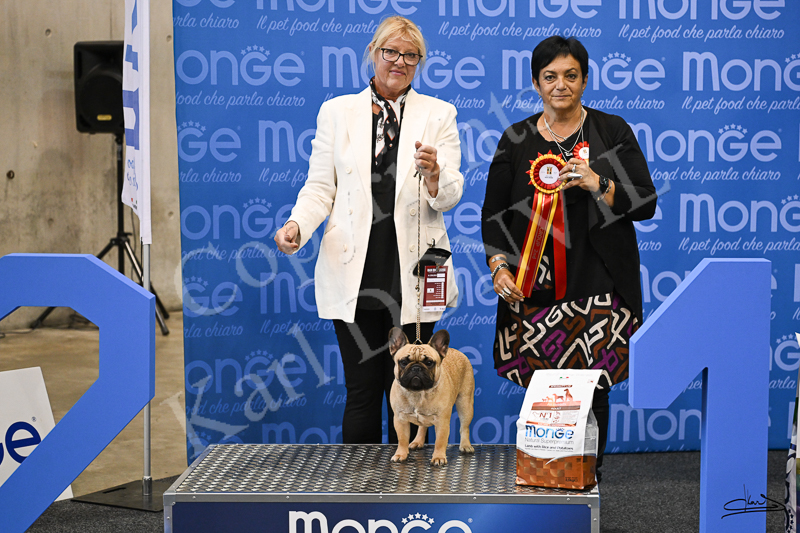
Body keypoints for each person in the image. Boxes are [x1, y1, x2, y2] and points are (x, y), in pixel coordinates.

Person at [274, 16, 463, 445]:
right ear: (373, 54)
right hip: (354, 269)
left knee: (415, 390)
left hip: (418, 270)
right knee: (362, 389)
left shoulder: (440, 114)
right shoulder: (337, 112)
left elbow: (450, 196)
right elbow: (320, 187)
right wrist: (297, 224)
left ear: (419, 62)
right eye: (390, 52)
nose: (399, 61)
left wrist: (435, 175)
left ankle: (412, 480)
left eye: (410, 55)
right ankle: (360, 482)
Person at [481, 36, 657, 479]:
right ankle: (546, 480)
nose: (561, 85)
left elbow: (645, 202)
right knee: (542, 389)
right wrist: (498, 266)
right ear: (536, 83)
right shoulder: (515, 138)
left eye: (570, 75)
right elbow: (494, 216)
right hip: (533, 284)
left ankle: (589, 482)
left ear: (585, 79)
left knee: (594, 390)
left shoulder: (611, 131)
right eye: (550, 76)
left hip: (600, 283)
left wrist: (600, 183)